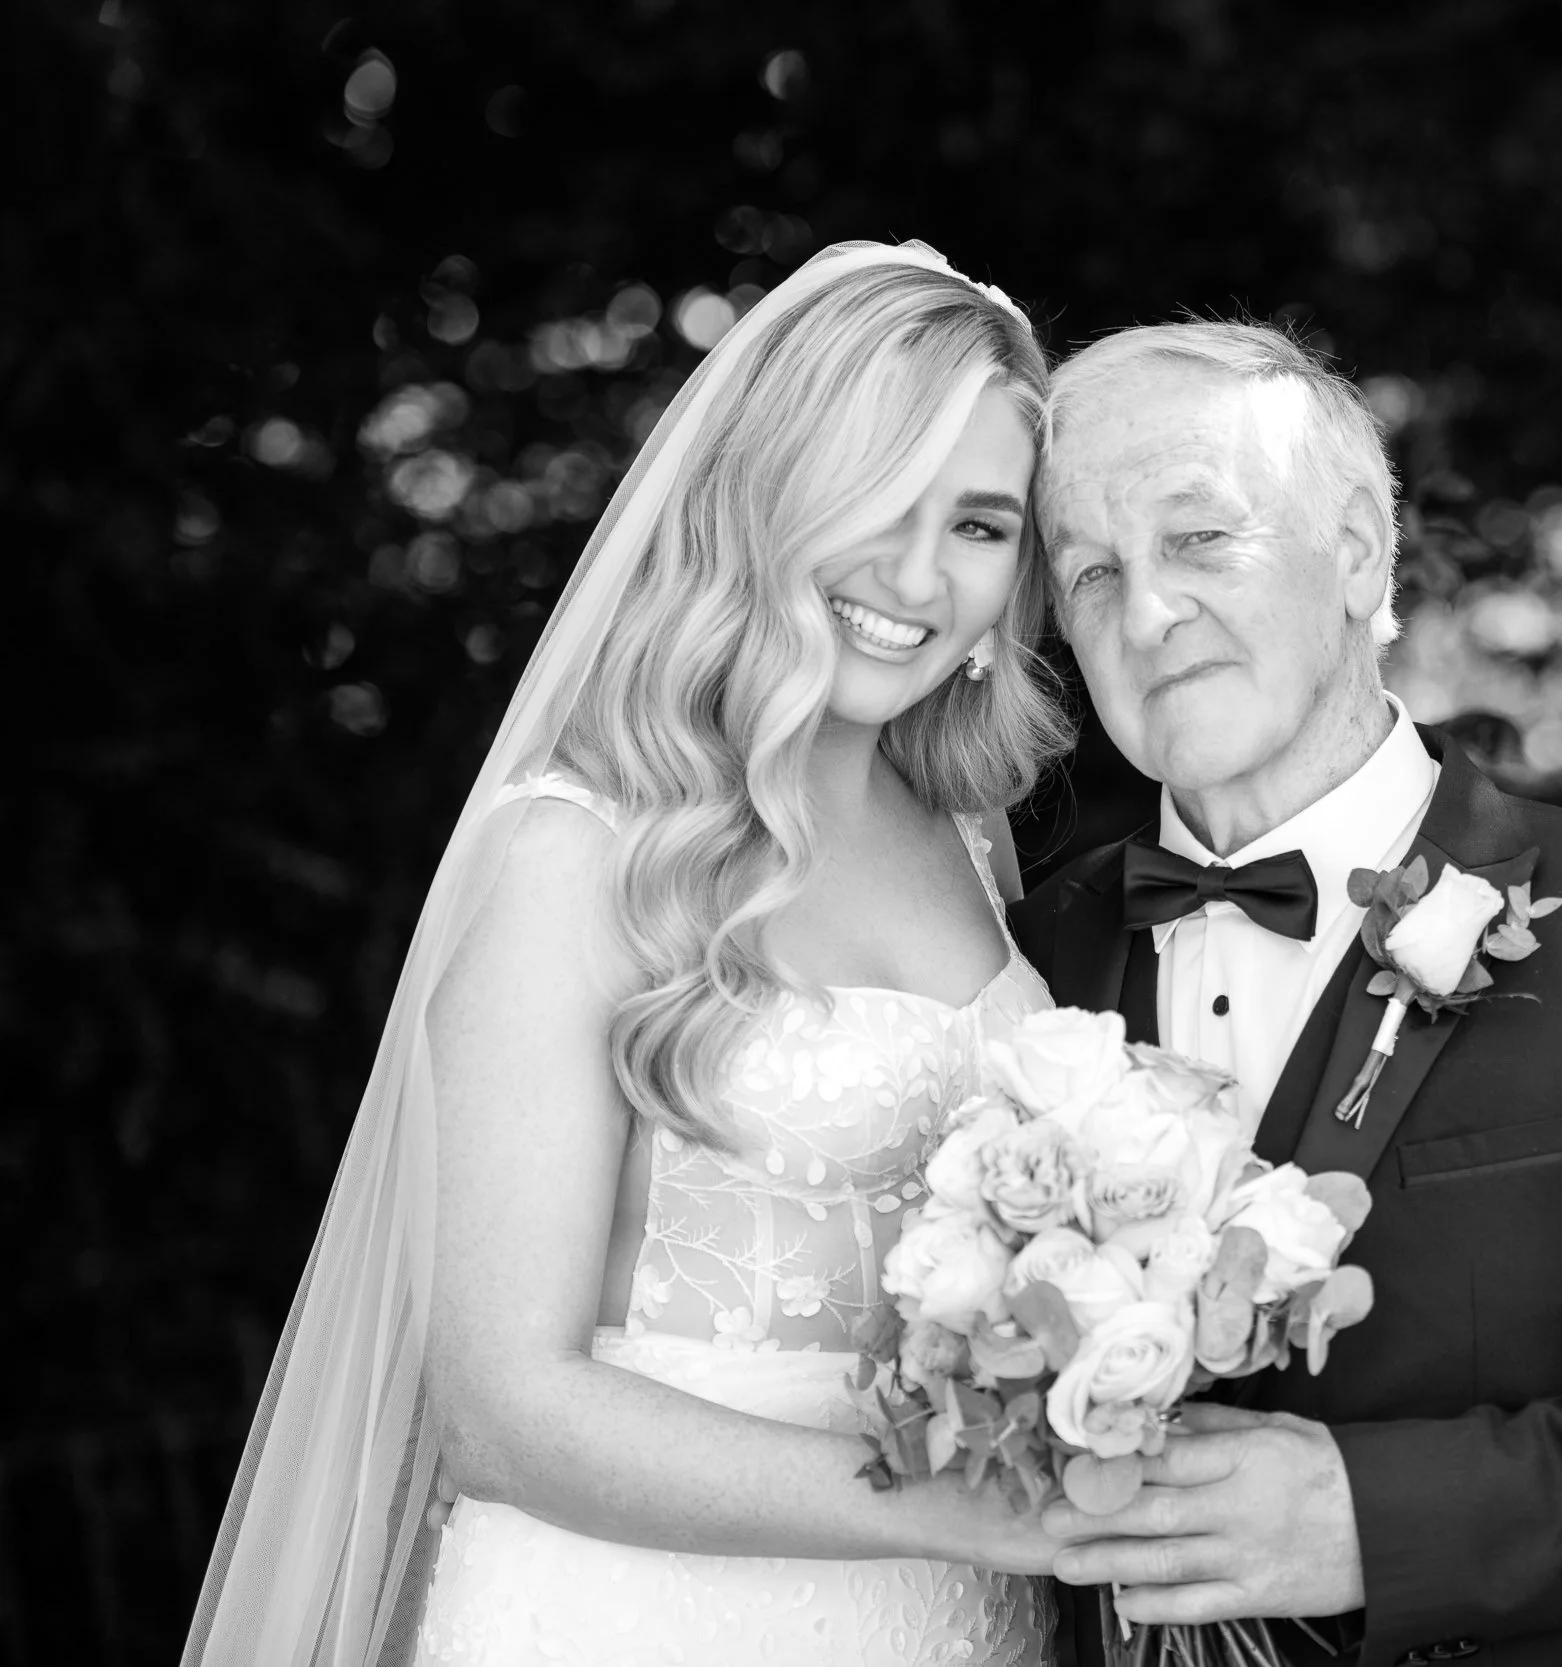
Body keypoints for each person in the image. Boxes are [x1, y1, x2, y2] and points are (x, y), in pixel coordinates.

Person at [184, 242, 1081, 1667]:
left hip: (958, 1622)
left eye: (979, 525)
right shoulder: (582, 850)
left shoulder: (967, 841)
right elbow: (500, 1407)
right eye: (878, 497)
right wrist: (957, 1506)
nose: (919, 574)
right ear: (767, 493)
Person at [1008, 321, 1562, 1667]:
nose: (1146, 613)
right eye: (1091, 569)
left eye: (1200, 541)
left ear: (1357, 547)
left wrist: (1372, 1518)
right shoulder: (1013, 962)